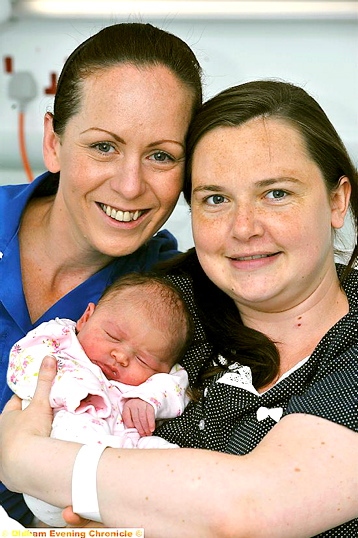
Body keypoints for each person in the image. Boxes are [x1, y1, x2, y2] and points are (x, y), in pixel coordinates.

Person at [0, 79, 357, 537]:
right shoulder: (163, 308)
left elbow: (251, 509)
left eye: (276, 194)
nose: (243, 227)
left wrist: (26, 461)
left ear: (337, 200)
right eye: (216, 199)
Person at [0, 22, 202, 524]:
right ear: (53, 142)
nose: (131, 185)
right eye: (103, 146)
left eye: (161, 156)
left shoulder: (176, 304)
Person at [7, 272, 192, 526]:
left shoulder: (152, 381)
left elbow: (176, 383)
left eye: (142, 360)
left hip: (120, 458)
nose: (120, 356)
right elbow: (22, 361)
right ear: (85, 318)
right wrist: (71, 389)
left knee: (173, 461)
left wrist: (147, 399)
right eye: (113, 337)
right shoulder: (60, 338)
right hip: (53, 458)